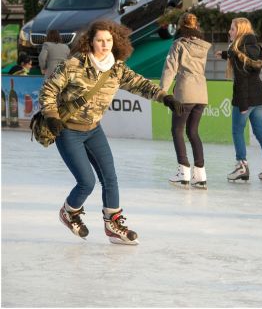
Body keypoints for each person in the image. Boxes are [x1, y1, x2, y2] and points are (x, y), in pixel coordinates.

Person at [38, 20, 183, 245]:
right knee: (86, 181)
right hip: (67, 130)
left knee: (110, 177)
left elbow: (141, 84)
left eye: (108, 40)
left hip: (93, 130)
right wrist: (51, 116)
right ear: (91, 42)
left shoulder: (117, 68)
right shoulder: (74, 64)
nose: (105, 45)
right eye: (99, 40)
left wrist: (165, 97)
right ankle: (69, 212)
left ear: (115, 41)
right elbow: (49, 88)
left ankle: (112, 225)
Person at [215, 17, 262, 182]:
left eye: (232, 29)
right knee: (259, 131)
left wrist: (243, 103)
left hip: (245, 98)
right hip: (259, 96)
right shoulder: (255, 48)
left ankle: (241, 166)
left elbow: (242, 77)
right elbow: (239, 57)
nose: (229, 32)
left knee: (237, 131)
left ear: (240, 31)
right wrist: (224, 54)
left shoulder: (238, 52)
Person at [159, 13, 211, 189]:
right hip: (201, 93)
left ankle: (183, 170)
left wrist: (162, 91)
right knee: (193, 132)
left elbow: (170, 68)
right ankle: (200, 174)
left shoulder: (179, 44)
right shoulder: (203, 46)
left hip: (185, 92)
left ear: (181, 26)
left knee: (177, 130)